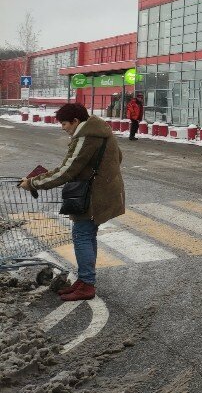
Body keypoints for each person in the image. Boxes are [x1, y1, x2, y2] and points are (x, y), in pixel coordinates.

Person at [19, 103, 125, 301]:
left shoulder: (86, 137)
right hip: (105, 193)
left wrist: (33, 183)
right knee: (88, 234)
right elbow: (118, 157)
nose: (63, 128)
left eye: (64, 123)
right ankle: (85, 280)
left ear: (76, 121)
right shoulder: (102, 130)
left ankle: (86, 284)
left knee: (82, 235)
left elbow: (66, 171)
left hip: (92, 196)